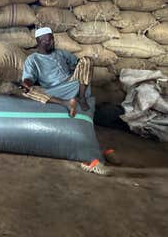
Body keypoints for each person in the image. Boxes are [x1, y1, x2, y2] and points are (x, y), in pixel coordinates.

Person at [20, 27, 119, 175]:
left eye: (52, 38)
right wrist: (26, 83)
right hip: (54, 91)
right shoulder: (33, 59)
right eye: (48, 39)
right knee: (27, 91)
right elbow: (28, 78)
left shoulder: (61, 53)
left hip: (73, 85)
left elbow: (78, 64)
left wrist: (80, 69)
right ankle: (67, 103)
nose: (52, 41)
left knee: (86, 60)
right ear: (39, 41)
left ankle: (81, 97)